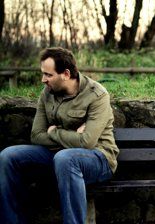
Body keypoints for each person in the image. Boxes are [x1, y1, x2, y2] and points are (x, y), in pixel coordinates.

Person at [0, 47, 119, 224]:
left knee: (66, 159)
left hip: (98, 158)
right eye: (43, 74)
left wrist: (54, 132)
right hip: (58, 155)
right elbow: (36, 135)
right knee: (8, 156)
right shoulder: (47, 94)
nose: (43, 80)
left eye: (48, 75)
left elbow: (87, 142)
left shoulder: (97, 95)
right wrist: (72, 136)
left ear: (65, 73)